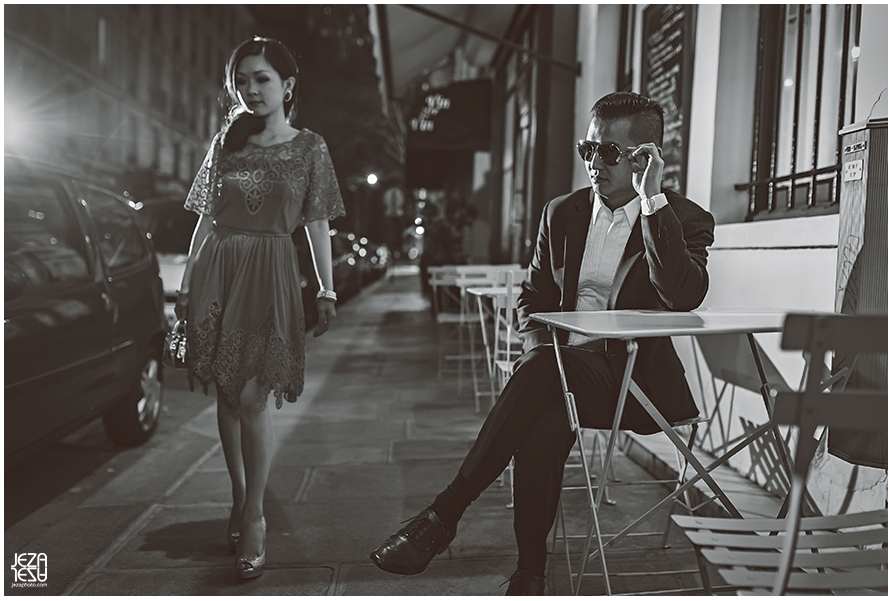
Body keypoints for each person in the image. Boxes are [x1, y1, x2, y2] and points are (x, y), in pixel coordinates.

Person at [369, 91, 715, 594]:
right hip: (559, 371)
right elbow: (531, 301)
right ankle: (529, 572)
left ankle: (445, 514)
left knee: (538, 377)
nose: (594, 163)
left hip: (631, 383)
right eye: (588, 149)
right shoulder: (561, 213)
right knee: (544, 422)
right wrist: (544, 351)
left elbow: (683, 295)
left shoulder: (681, 218)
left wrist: (651, 202)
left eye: (610, 153)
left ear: (644, 158)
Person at [176, 36, 345, 580]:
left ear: (287, 86)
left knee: (253, 397)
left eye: (262, 79)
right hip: (218, 270)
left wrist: (326, 289)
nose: (251, 89)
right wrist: (186, 282)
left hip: (271, 272)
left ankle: (254, 516)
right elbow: (204, 216)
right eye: (242, 80)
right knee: (229, 395)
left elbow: (317, 224)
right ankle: (239, 496)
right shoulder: (224, 142)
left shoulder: (310, 147)